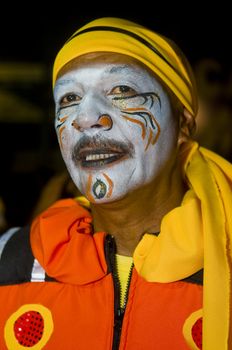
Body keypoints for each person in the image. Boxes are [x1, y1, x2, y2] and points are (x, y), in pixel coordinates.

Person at [0, 17, 231, 350]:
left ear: (183, 122)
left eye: (122, 90)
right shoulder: (12, 261)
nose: (85, 117)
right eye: (68, 99)